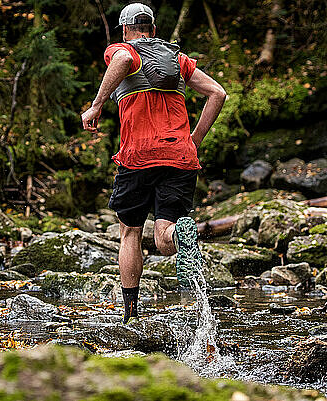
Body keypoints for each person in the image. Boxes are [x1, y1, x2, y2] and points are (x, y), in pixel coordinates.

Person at [81, 3, 226, 324]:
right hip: (180, 157)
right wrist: (194, 141)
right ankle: (179, 235)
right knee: (163, 239)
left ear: (125, 29)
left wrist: (96, 106)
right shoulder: (178, 59)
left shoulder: (123, 50)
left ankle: (130, 315)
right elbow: (218, 93)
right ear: (154, 30)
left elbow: (120, 59)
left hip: (138, 157)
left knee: (130, 232)